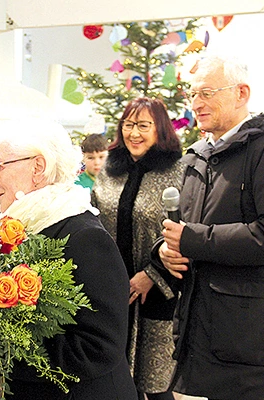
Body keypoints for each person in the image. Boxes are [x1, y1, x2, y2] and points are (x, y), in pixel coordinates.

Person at [155, 55, 264, 399]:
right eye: (193, 94)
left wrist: (193, 240)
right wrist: (167, 251)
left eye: (207, 93)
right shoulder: (199, 155)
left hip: (260, 345)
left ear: (241, 93)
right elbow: (182, 228)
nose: (196, 103)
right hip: (215, 337)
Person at [0, 118, 137, 399]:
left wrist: (0, 351)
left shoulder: (84, 236)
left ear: (38, 167)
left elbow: (99, 346)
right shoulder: (28, 224)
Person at [92, 98, 183, 400]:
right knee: (117, 382)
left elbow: (185, 233)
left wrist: (151, 275)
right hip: (114, 290)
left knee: (156, 385)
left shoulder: (178, 172)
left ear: (161, 130)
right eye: (129, 125)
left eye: (144, 126)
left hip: (160, 290)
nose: (134, 133)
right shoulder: (109, 170)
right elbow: (93, 219)